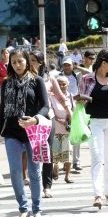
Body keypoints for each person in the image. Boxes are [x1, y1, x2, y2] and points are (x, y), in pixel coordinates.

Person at [0, 48, 49, 217]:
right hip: (12, 133)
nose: (17, 65)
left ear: (27, 62)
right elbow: (2, 113)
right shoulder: (6, 83)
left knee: (34, 173)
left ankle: (37, 209)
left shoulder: (37, 81)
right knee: (16, 173)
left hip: (34, 132)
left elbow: (46, 107)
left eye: (20, 61)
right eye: (14, 62)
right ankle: (23, 209)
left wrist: (34, 119)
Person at [29, 50, 72, 198]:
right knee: (33, 152)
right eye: (29, 60)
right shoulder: (24, 78)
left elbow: (60, 97)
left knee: (47, 151)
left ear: (41, 62)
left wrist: (69, 111)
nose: (30, 63)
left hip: (48, 117)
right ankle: (34, 181)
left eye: (34, 60)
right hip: (30, 119)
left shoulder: (49, 79)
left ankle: (47, 186)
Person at [78, 49, 108, 209]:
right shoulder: (87, 79)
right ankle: (98, 195)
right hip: (93, 122)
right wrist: (82, 99)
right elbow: (79, 102)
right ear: (103, 63)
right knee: (97, 158)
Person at [59, 58, 83, 171]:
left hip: (75, 108)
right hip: (62, 108)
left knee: (76, 137)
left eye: (69, 65)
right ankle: (65, 162)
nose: (67, 67)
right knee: (64, 136)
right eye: (65, 65)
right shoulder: (57, 76)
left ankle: (76, 162)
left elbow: (90, 72)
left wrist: (77, 67)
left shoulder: (77, 76)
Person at [50, 76, 74, 183]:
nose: (61, 86)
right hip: (54, 129)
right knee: (55, 153)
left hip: (67, 129)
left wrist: (67, 121)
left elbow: (73, 111)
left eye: (64, 84)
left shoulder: (71, 97)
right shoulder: (51, 97)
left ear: (68, 84)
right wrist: (59, 120)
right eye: (59, 84)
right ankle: (55, 169)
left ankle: (67, 175)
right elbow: (49, 111)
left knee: (68, 153)